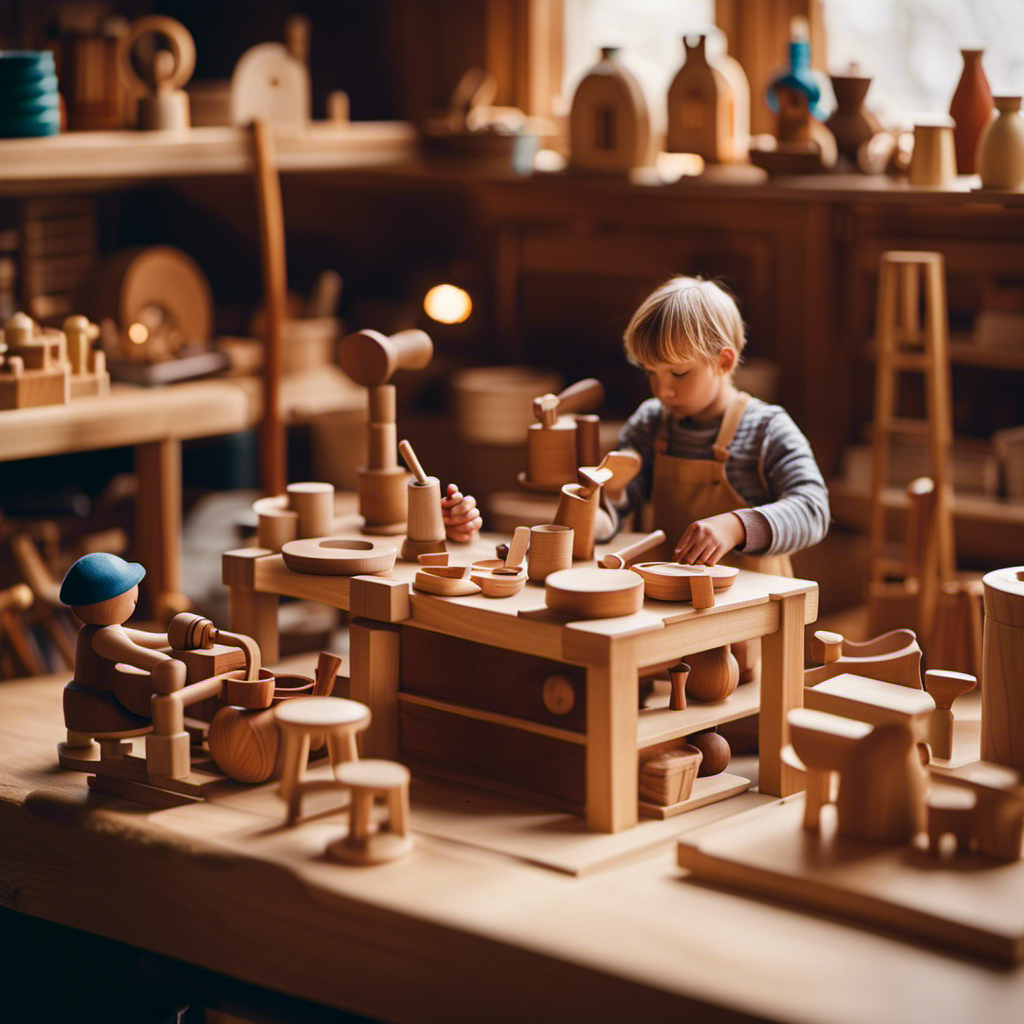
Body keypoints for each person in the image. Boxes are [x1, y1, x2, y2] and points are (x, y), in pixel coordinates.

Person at [606, 275, 830, 576]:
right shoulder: (650, 423)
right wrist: (597, 507)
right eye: (651, 372)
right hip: (667, 601)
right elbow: (617, 504)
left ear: (724, 362)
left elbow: (813, 511)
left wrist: (737, 527)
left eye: (679, 373)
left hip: (755, 610)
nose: (662, 390)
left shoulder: (766, 429)